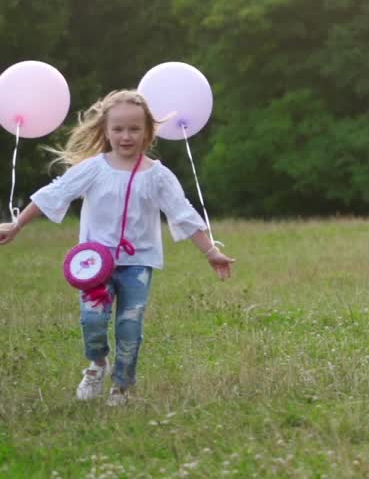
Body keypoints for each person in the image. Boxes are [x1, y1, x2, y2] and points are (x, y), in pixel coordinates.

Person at [0, 90, 234, 404]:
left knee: (130, 325)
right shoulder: (94, 168)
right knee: (93, 320)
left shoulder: (158, 176)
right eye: (118, 129)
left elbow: (183, 212)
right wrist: (17, 225)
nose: (126, 136)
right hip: (94, 262)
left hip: (137, 264)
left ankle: (122, 386)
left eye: (134, 129)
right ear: (106, 131)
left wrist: (210, 251)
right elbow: (55, 194)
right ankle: (97, 364)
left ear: (148, 133)